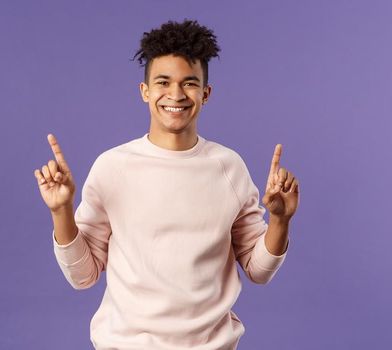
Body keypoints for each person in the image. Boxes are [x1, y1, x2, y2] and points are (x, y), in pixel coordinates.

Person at [34, 19, 300, 350]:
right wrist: (61, 211)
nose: (175, 94)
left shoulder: (229, 167)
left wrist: (280, 220)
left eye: (189, 83)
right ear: (145, 91)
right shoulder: (112, 167)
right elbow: (83, 275)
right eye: (163, 82)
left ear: (206, 93)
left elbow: (258, 270)